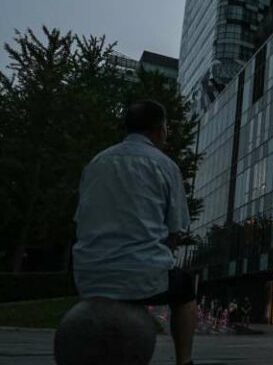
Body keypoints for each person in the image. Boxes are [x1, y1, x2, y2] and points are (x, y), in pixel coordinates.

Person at [73, 100, 200, 365]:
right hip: (141, 275)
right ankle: (184, 361)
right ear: (160, 129)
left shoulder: (96, 162)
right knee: (185, 289)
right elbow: (175, 231)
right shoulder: (165, 166)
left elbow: (81, 221)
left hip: (89, 274)